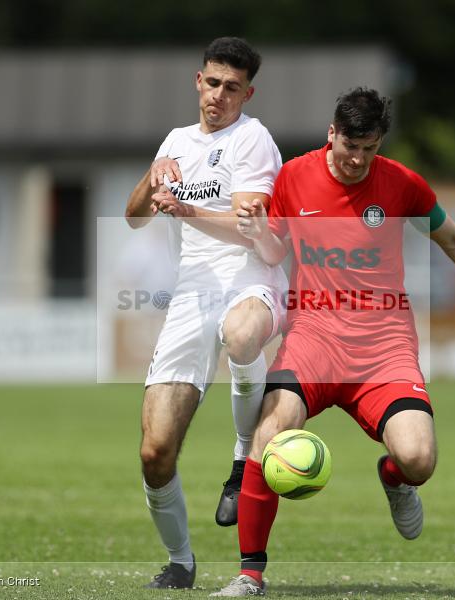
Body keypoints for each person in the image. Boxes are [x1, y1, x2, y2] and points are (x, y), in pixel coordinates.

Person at [210, 88, 455, 597]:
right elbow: (274, 250)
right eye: (350, 146)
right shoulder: (293, 176)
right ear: (331, 134)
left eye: (370, 148)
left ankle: (394, 478)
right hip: (313, 338)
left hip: (384, 347)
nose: (358, 159)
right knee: (267, 434)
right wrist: (255, 232)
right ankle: (250, 575)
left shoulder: (402, 184)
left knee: (420, 458)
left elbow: (453, 239)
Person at [123, 37, 286, 589]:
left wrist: (185, 206)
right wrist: (154, 176)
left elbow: (248, 225)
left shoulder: (253, 139)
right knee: (155, 451)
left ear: (248, 93)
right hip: (191, 292)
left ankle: (243, 461)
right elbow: (133, 217)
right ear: (199, 81)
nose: (219, 96)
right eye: (212, 83)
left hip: (248, 276)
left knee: (242, 336)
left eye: (232, 87)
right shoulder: (175, 140)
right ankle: (180, 563)